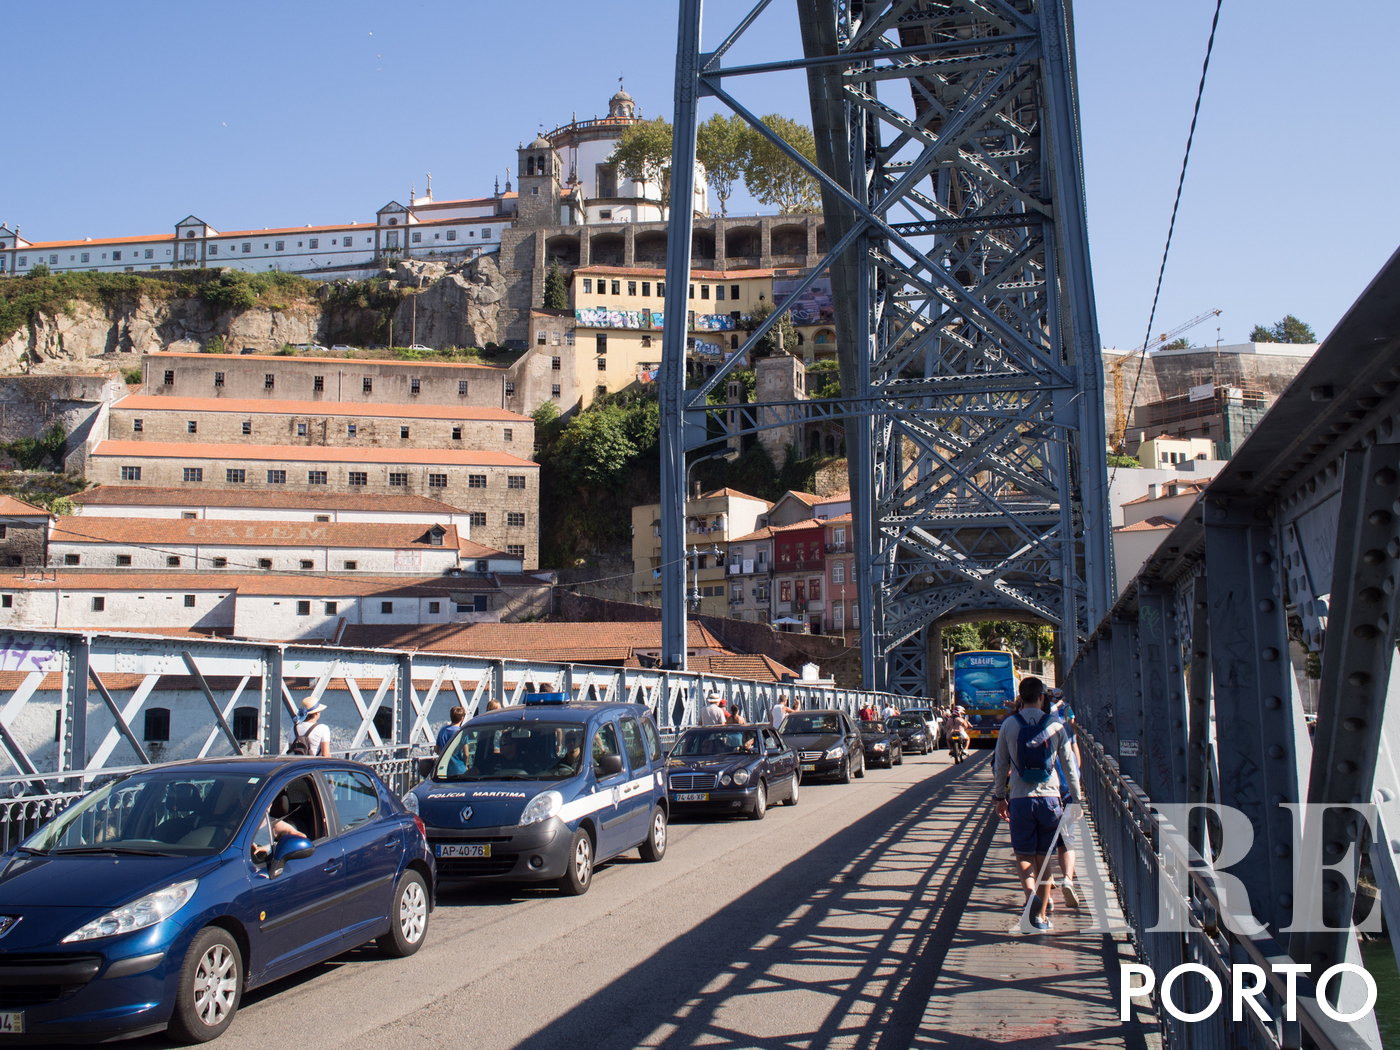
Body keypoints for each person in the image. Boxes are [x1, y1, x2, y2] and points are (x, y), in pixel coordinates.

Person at [991, 677, 1081, 931]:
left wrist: (1000, 797)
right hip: (1051, 799)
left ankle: (1029, 895)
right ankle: (1040, 918)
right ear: (1042, 697)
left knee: (1023, 854)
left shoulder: (1009, 724)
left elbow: (1000, 765)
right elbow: (1069, 767)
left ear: (1021, 697)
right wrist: (1076, 799)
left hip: (1020, 799)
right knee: (1044, 859)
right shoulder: (1055, 725)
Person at [1047, 688, 1082, 908]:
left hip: (1044, 791)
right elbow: (1075, 762)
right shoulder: (1066, 728)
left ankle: (1046, 887)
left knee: (1042, 845)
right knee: (1067, 840)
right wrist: (1077, 791)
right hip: (1066, 789)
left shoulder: (1030, 726)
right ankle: (1068, 878)